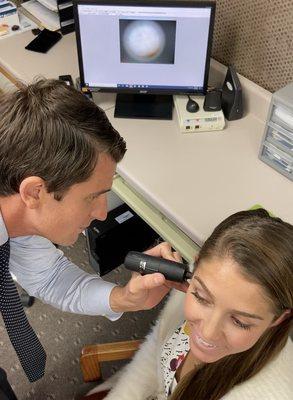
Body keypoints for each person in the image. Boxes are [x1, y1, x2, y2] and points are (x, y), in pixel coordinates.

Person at [0, 79, 186, 398]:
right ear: (34, 192)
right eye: (93, 197)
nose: (102, 213)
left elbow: (50, 277)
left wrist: (124, 297)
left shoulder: (16, 212)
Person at [89, 209, 293, 400]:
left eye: (240, 322)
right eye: (202, 298)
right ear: (195, 270)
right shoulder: (189, 287)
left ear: (279, 318)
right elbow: (156, 349)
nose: (208, 332)